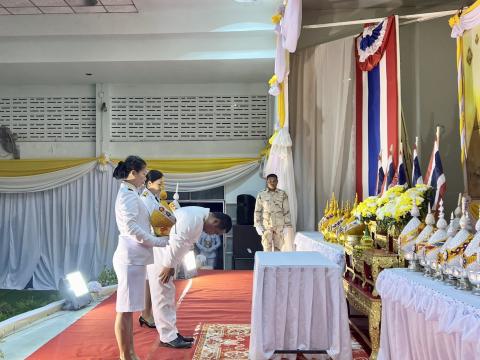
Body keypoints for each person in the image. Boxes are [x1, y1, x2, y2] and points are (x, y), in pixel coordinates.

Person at [147, 207, 232, 348]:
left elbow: (182, 244)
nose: (212, 234)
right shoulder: (194, 219)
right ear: (215, 221)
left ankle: (171, 333)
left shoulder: (197, 216)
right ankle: (167, 336)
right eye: (216, 232)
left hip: (167, 255)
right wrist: (169, 265)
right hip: (163, 255)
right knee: (162, 294)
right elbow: (177, 241)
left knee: (167, 294)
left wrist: (172, 264)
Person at [112, 156, 169, 360]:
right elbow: (131, 228)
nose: (146, 177)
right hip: (130, 257)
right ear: (133, 173)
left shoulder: (132, 192)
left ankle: (130, 353)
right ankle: (125, 355)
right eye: (144, 173)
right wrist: (158, 242)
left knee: (128, 310)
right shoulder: (127, 194)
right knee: (124, 310)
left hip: (135, 257)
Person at [138, 170, 175, 329]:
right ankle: (147, 313)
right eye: (159, 184)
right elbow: (155, 220)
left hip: (154, 242)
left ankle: (146, 313)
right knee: (152, 280)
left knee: (149, 280)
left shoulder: (153, 197)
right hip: (150, 242)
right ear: (149, 184)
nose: (162, 188)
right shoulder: (146, 199)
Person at [254, 173, 292, 252]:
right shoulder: (261, 194)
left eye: (274, 181)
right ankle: (267, 264)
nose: (272, 183)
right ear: (267, 182)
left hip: (279, 227)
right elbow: (257, 211)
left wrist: (287, 226)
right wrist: (258, 225)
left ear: (277, 182)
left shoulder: (283, 194)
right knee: (266, 250)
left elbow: (286, 211)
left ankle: (277, 264)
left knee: (278, 250)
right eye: (270, 181)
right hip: (266, 227)